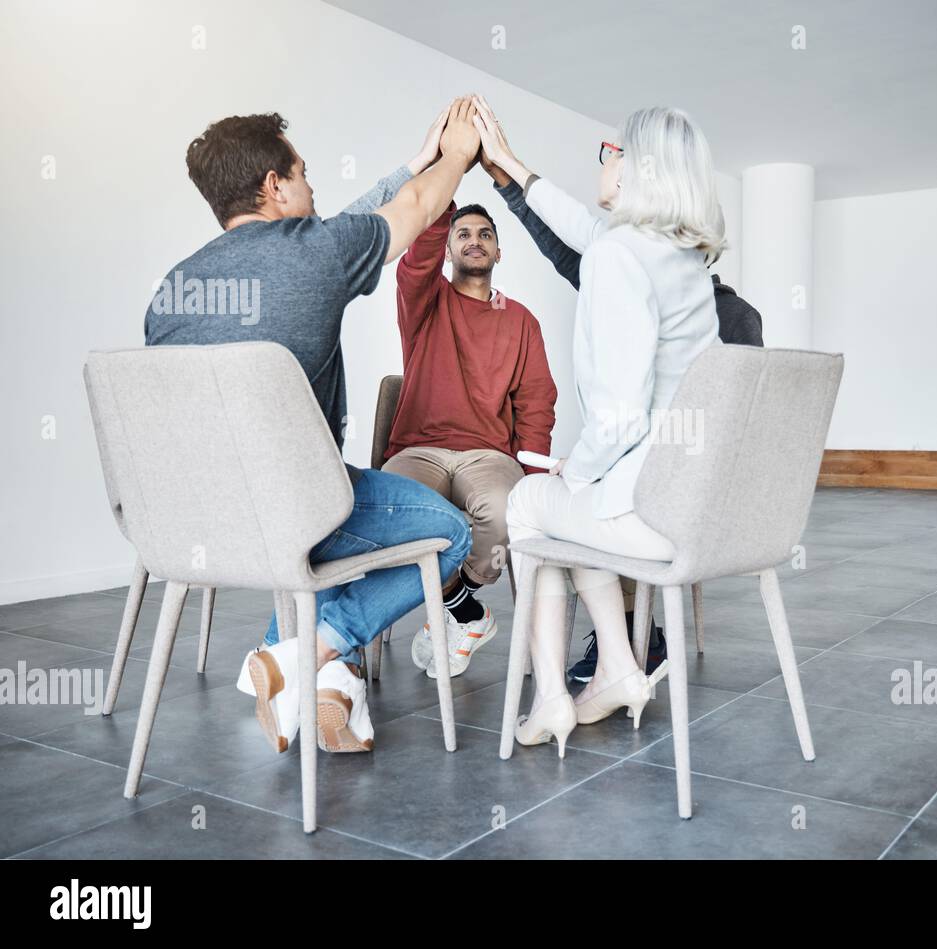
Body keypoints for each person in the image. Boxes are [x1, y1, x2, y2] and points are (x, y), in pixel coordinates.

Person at [144, 98, 488, 754]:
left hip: (195, 523)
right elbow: (413, 211)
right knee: (448, 531)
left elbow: (349, 222)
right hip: (299, 512)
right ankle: (307, 652)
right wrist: (457, 157)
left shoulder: (173, 288)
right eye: (302, 173)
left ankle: (327, 684)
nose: (313, 184)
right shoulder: (317, 253)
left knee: (325, 522)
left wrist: (416, 159)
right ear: (275, 186)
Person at [472, 97, 724, 754]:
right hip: (690, 504)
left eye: (612, 151)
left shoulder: (620, 259)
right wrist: (511, 167)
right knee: (573, 504)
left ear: (638, 168)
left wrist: (574, 467)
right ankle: (617, 667)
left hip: (645, 512)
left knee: (531, 503)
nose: (604, 161)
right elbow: (587, 231)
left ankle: (552, 694)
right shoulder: (683, 260)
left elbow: (618, 417)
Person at [379, 192, 557, 680]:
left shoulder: (521, 321)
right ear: (448, 249)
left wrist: (534, 476)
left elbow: (536, 401)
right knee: (388, 512)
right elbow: (413, 264)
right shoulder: (425, 300)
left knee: (504, 510)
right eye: (463, 234)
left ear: (499, 252)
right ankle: (464, 614)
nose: (474, 241)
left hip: (488, 454)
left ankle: (455, 609)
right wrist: (445, 187)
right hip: (419, 449)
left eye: (485, 235)